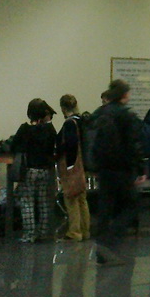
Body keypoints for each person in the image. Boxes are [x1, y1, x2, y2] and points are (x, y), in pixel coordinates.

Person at [90, 80, 146, 243]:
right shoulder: (126, 115)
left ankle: (102, 244)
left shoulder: (99, 113)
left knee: (105, 207)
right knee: (131, 205)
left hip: (103, 168)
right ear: (124, 94)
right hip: (122, 169)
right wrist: (140, 169)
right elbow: (134, 144)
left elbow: (92, 139)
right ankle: (113, 236)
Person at [12, 99, 57, 243]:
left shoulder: (25, 129)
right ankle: (43, 232)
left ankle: (29, 234)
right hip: (46, 169)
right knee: (44, 202)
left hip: (30, 169)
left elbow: (14, 146)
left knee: (27, 202)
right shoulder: (50, 129)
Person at [57, 95, 90, 242]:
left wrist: (69, 167)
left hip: (72, 164)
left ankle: (74, 232)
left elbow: (70, 145)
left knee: (71, 198)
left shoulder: (69, 123)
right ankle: (85, 230)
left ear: (63, 108)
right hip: (83, 164)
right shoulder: (82, 120)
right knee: (82, 199)